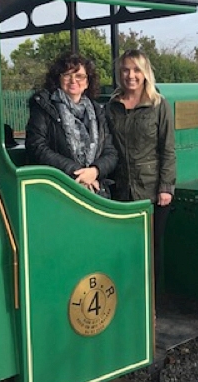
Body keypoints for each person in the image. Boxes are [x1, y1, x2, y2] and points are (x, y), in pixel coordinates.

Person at [106, 49, 176, 289]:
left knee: (151, 250)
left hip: (151, 191)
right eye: (125, 69)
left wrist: (165, 187)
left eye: (136, 69)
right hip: (120, 191)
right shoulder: (111, 107)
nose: (131, 75)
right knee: (124, 248)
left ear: (145, 73)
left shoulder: (159, 105)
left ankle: (151, 305)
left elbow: (167, 149)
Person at [25, 52, 117, 196]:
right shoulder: (44, 107)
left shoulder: (98, 112)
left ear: (87, 82)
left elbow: (110, 153)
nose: (73, 80)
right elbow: (37, 147)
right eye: (67, 75)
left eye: (79, 76)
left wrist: (94, 171)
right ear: (59, 79)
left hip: (95, 188)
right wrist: (78, 173)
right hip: (57, 189)